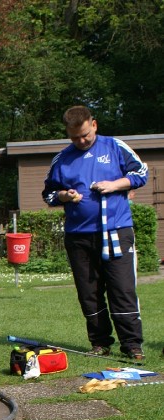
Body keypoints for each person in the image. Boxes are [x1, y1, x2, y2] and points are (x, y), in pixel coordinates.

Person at [42, 105, 148, 360]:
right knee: (88, 293)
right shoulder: (62, 158)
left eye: (85, 135)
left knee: (121, 289)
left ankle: (132, 345)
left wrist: (115, 185)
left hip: (116, 230)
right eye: (74, 137)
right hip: (78, 236)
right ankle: (100, 343)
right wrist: (64, 196)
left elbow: (140, 173)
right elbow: (48, 194)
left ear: (94, 125)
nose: (80, 141)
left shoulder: (115, 147)